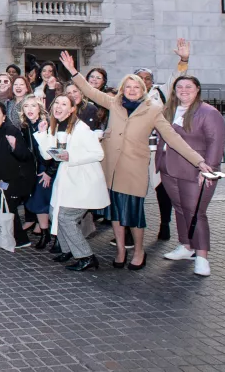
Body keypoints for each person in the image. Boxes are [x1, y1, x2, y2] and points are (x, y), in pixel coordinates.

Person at [59, 43, 212, 270]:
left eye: (136, 87)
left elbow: (173, 138)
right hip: (111, 168)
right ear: (122, 88)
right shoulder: (114, 103)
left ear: (143, 89)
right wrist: (73, 72)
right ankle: (121, 250)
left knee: (133, 216)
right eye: (128, 86)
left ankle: (139, 251)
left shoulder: (153, 110)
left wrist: (199, 161)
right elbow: (90, 92)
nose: (131, 90)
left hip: (134, 170)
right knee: (116, 216)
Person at [156, 76, 225, 276]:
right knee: (179, 209)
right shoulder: (168, 110)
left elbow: (216, 143)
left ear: (197, 89)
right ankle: (186, 246)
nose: (183, 90)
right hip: (168, 169)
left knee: (196, 212)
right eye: (179, 87)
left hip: (195, 172)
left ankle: (202, 256)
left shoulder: (208, 113)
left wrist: (209, 171)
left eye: (188, 87)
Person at [34, 95, 109, 271]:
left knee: (66, 217)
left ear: (72, 109)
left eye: (64, 104)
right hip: (66, 180)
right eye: (56, 103)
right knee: (54, 213)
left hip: (83, 181)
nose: (59, 107)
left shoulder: (81, 128)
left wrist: (71, 157)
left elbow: (98, 154)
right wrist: (42, 133)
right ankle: (68, 250)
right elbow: (47, 155)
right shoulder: (56, 126)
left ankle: (86, 256)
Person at [0, 101, 36, 249]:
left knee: (9, 204)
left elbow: (25, 156)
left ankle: (21, 239)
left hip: (17, 176)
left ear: (4, 116)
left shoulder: (11, 131)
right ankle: (8, 235)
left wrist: (15, 147)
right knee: (0, 204)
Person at [18, 97, 57, 249]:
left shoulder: (48, 125)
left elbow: (55, 153)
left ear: (39, 108)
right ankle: (45, 233)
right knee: (38, 202)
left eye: (33, 106)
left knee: (50, 204)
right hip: (34, 169)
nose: (29, 109)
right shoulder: (26, 126)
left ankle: (58, 238)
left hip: (46, 169)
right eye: (26, 106)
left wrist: (49, 172)